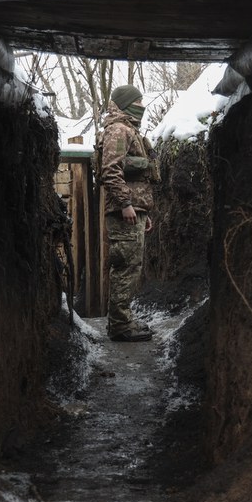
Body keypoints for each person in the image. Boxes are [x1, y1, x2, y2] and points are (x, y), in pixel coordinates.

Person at [98, 84, 160, 342]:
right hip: (125, 211)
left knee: (131, 266)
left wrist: (142, 211)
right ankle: (120, 326)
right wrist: (125, 204)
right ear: (126, 103)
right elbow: (110, 170)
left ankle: (123, 320)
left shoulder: (128, 129)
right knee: (125, 268)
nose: (142, 106)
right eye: (138, 101)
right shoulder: (118, 130)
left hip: (133, 211)